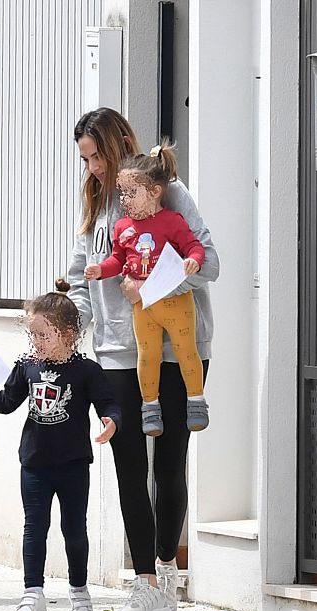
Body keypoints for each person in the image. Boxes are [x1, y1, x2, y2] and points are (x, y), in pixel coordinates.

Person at [66, 108, 219, 611]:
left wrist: (150, 288)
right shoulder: (95, 205)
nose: (93, 169)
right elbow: (83, 281)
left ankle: (167, 571)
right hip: (116, 351)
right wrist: (67, 331)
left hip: (177, 348)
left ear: (118, 146)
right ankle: (145, 584)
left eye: (97, 157)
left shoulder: (168, 193)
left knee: (169, 462)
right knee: (128, 464)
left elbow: (208, 262)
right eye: (85, 160)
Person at [0, 279, 120, 611]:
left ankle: (79, 594)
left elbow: (108, 403)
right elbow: (5, 402)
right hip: (34, 463)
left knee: (74, 529)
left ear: (68, 334)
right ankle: (33, 593)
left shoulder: (86, 370)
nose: (36, 342)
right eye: (32, 335)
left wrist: (111, 421)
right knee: (34, 527)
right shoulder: (27, 365)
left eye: (43, 335)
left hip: (73, 464)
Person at [84, 140, 209, 436]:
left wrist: (193, 260)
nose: (124, 200)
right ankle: (149, 406)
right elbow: (117, 259)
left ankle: (196, 401)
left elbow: (194, 246)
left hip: (176, 303)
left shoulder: (172, 221)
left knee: (185, 350)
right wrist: (101, 270)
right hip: (142, 307)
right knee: (147, 354)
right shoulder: (122, 227)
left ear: (154, 192)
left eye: (131, 193)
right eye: (122, 192)